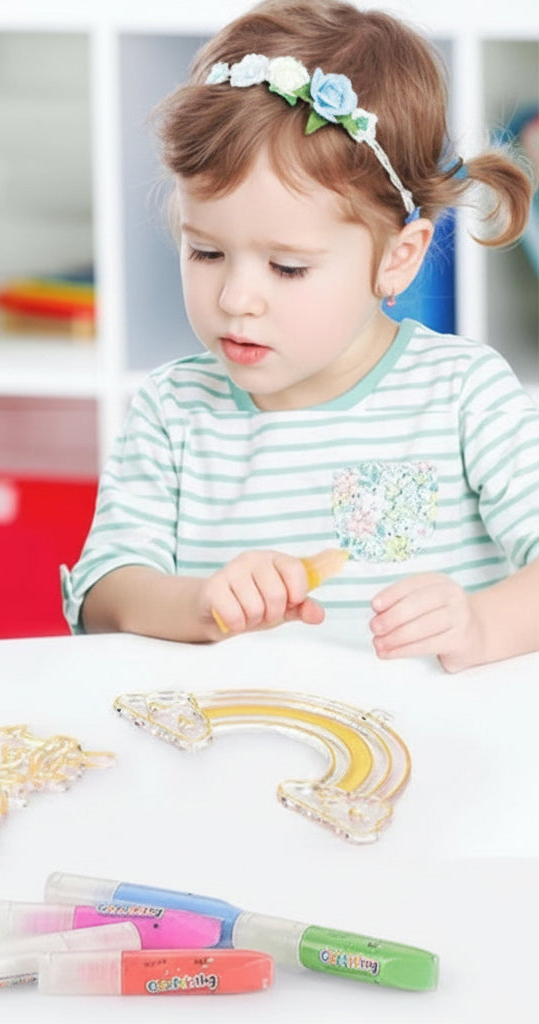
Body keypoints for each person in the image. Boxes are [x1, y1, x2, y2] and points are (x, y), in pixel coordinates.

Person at [62, 0, 538, 673]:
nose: (235, 299)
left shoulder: (462, 397)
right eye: (204, 252)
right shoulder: (174, 411)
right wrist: (198, 604)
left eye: (286, 267)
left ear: (397, 258)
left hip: (432, 761)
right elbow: (103, 592)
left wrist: (481, 624)